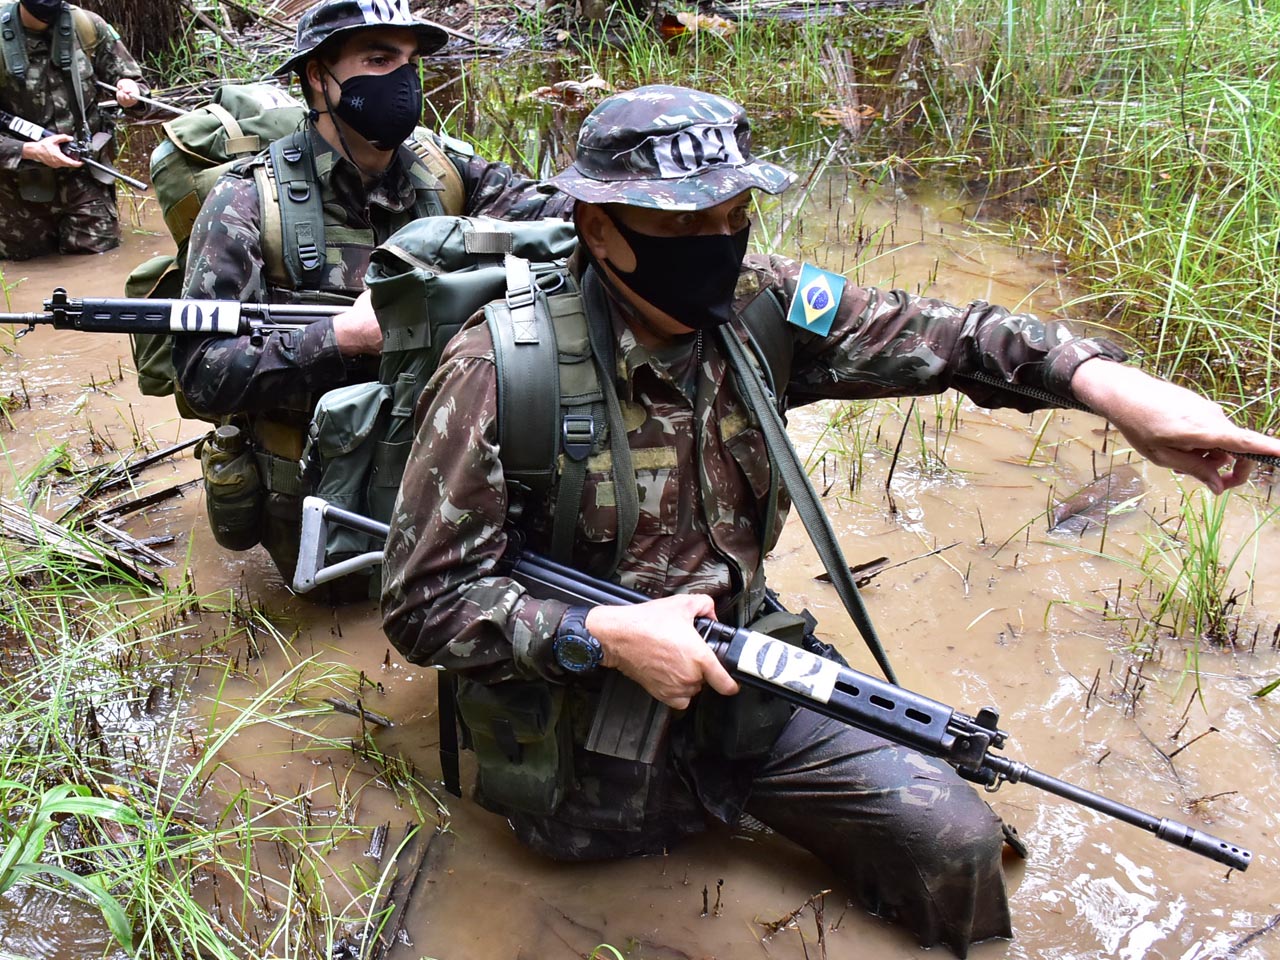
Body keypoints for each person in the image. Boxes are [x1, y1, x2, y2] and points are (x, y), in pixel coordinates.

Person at [379, 85, 1280, 957]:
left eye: (734, 216)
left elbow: (951, 337)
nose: (719, 243)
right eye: (685, 225)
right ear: (599, 227)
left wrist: (1116, 393)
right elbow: (424, 603)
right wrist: (601, 635)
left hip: (751, 679)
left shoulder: (763, 309)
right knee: (609, 916)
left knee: (955, 841)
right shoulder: (502, 371)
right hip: (580, 739)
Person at [174, 0, 572, 579]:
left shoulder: (445, 172)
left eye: (410, 61)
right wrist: (342, 337)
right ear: (318, 75)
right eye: (379, 59)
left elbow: (558, 215)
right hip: (322, 501)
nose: (404, 81)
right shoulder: (245, 202)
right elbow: (203, 374)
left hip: (453, 479)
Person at [0, 0, 147, 259]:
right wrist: (28, 150)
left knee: (97, 269)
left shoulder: (87, 26)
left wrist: (131, 92)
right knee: (25, 274)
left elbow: (135, 85)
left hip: (84, 179)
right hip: (14, 196)